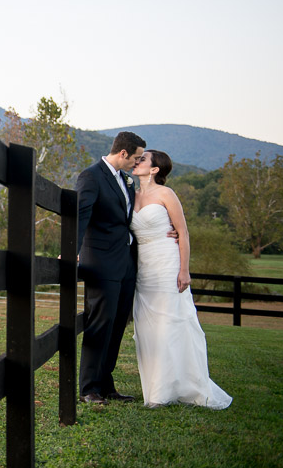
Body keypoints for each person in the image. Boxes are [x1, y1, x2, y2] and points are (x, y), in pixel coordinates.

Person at [130, 150, 232, 409]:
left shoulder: (167, 195)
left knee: (171, 323)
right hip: (143, 267)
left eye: (143, 159)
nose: (137, 161)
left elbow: (183, 233)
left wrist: (184, 270)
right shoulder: (130, 195)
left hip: (167, 263)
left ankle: (177, 388)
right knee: (147, 327)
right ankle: (155, 389)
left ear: (154, 169)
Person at [75, 131, 145, 404]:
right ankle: (89, 388)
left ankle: (106, 383)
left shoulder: (125, 181)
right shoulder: (91, 176)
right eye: (136, 158)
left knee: (117, 324)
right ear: (123, 153)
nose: (137, 164)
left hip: (126, 263)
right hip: (102, 262)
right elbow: (81, 214)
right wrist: (70, 249)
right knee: (100, 324)